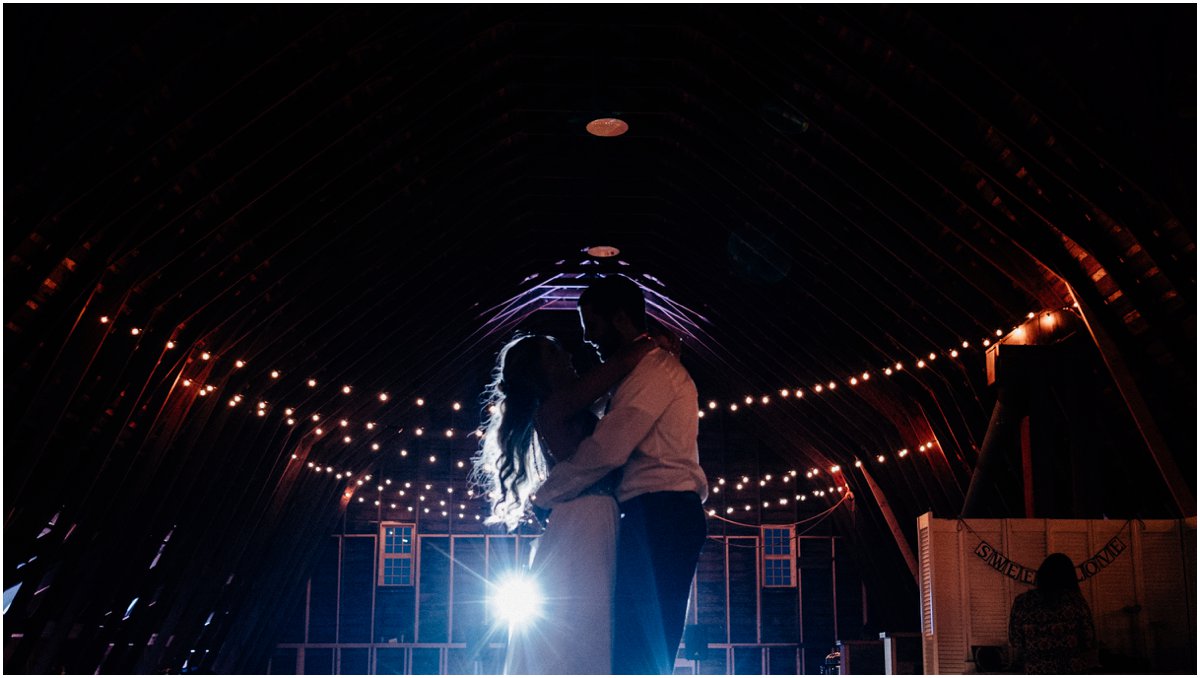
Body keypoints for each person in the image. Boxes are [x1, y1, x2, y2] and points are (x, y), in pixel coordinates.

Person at [533, 275, 708, 675]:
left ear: (621, 319)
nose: (588, 339)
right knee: (633, 642)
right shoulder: (636, 373)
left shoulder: (655, 371)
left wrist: (548, 494)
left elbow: (608, 450)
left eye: (592, 325)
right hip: (651, 514)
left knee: (643, 647)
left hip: (662, 511)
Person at [473, 332, 655, 674]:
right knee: (587, 617)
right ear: (538, 371)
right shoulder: (556, 406)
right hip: (586, 517)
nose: (567, 355)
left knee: (589, 617)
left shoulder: (564, 407)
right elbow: (619, 364)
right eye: (554, 353)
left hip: (587, 515)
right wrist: (649, 342)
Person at [1008, 553, 1099, 674]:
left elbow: (1015, 640)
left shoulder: (1023, 602)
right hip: (1071, 669)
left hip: (1036, 669)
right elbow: (1089, 639)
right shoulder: (1076, 602)